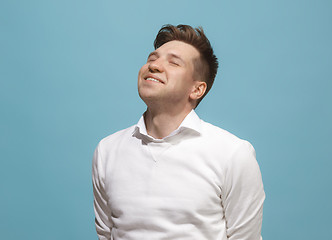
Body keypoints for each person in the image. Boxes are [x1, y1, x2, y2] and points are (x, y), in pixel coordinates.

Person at [92, 24, 265, 240]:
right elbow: (105, 233)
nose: (154, 66)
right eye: (152, 59)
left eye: (173, 62)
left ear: (197, 89)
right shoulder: (107, 150)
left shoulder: (232, 153)